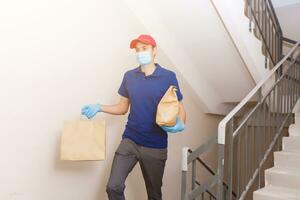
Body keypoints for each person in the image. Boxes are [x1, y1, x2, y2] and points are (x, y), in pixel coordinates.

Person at [81, 34, 186, 200]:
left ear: (154, 50)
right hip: (130, 140)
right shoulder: (129, 76)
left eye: (144, 48)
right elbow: (122, 107)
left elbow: (179, 106)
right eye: (137, 50)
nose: (140, 52)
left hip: (155, 146)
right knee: (113, 186)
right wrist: (99, 107)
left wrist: (181, 123)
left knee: (154, 194)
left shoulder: (168, 76)